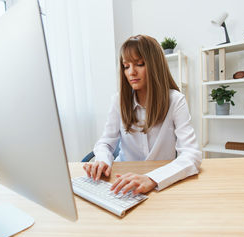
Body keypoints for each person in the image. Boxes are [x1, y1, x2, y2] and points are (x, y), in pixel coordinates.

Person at [83, 34, 201, 196]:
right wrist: (102, 160)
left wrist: (152, 179)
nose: (131, 72)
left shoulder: (175, 100)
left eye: (140, 64)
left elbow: (191, 154)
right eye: (126, 66)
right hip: (121, 180)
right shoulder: (118, 100)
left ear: (155, 66)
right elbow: (105, 143)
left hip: (161, 182)